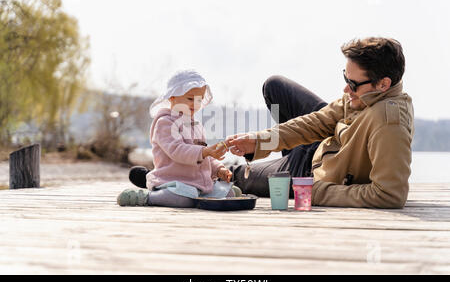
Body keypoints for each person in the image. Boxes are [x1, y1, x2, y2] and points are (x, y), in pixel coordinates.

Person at [226, 37, 414, 209]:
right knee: (274, 86)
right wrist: (258, 141)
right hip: (323, 149)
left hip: (311, 176)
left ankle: (230, 171)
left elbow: (389, 195)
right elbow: (316, 122)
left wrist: (313, 191)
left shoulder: (390, 124)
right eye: (345, 78)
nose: (346, 88)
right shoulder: (363, 97)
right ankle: (282, 157)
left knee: (234, 175)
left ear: (383, 84)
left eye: (354, 84)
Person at [117, 70, 241, 208]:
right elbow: (178, 151)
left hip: (198, 184)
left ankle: (209, 192)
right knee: (182, 200)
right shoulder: (165, 123)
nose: (195, 103)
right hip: (175, 180)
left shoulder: (197, 126)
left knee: (229, 193)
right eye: (190, 99)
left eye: (199, 100)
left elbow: (205, 156)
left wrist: (219, 169)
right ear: (172, 98)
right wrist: (205, 151)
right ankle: (147, 197)